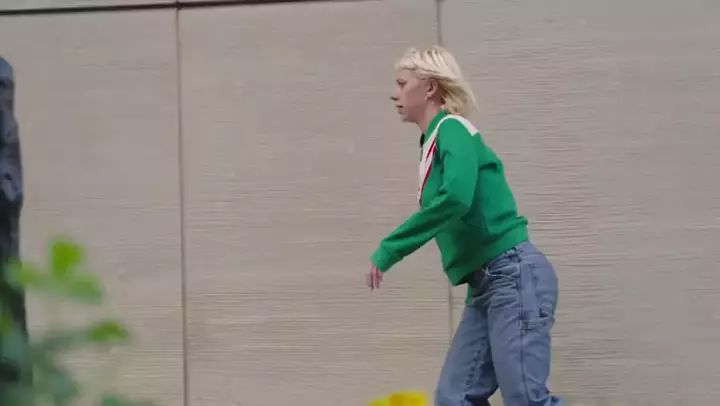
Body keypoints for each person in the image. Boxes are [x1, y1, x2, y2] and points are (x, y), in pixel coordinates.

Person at [367, 45, 564, 406]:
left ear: (430, 88)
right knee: (454, 398)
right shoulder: (432, 143)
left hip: (513, 276)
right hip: (486, 284)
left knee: (525, 399)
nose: (394, 94)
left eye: (402, 83)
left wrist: (389, 249)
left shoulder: (453, 129)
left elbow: (455, 198)